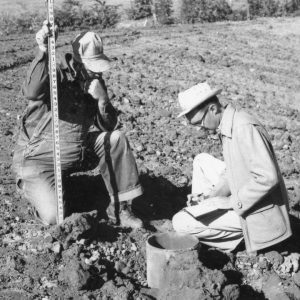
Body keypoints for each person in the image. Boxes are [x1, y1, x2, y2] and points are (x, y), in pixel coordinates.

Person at [12, 22, 143, 228]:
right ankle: (37, 188)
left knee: (116, 139)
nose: (96, 74)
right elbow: (32, 92)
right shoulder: (55, 73)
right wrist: (44, 51)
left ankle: (120, 209)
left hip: (76, 151)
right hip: (37, 158)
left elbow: (109, 126)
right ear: (77, 61)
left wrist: (102, 100)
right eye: (92, 67)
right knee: (55, 218)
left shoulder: (94, 81)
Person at [172, 82, 292, 253]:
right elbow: (233, 170)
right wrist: (210, 198)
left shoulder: (244, 128)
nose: (200, 129)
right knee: (201, 160)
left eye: (199, 122)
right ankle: (207, 214)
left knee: (180, 222)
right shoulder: (229, 123)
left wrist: (231, 202)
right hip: (250, 199)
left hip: (262, 215)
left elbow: (268, 177)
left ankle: (244, 238)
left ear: (213, 108)